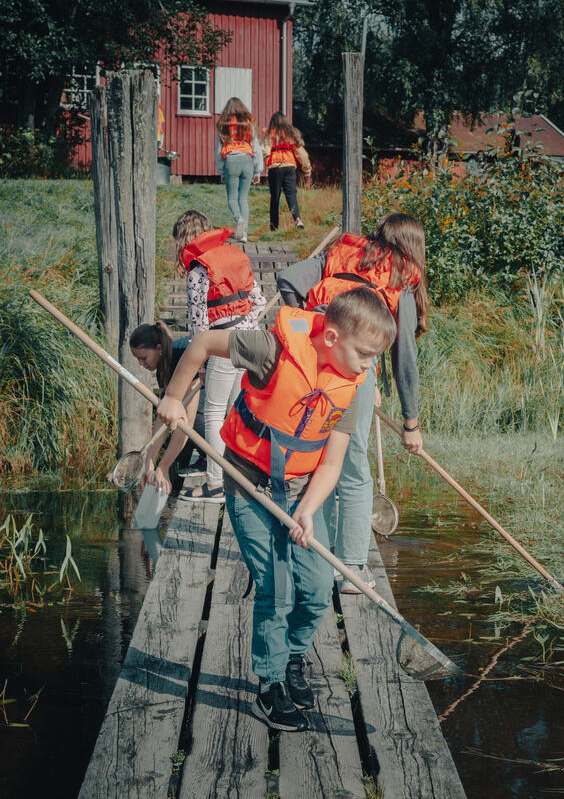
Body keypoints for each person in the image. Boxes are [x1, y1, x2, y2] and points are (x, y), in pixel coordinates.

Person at [156, 287, 397, 732]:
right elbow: (206, 343)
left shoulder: (350, 383)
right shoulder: (270, 350)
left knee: (318, 583)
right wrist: (173, 396)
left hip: (301, 485)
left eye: (374, 357)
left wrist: (308, 510)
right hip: (249, 480)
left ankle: (292, 657)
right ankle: (269, 686)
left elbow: (332, 462)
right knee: (276, 585)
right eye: (364, 354)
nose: (369, 365)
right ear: (330, 338)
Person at [276, 213, 429, 593]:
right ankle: (352, 570)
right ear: (413, 247)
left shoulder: (342, 252)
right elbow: (404, 355)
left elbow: (287, 281)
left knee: (320, 459)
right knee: (353, 466)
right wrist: (411, 422)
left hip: (314, 365)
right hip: (351, 377)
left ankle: (321, 557)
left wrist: (314, 330)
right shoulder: (401, 275)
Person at [173, 210, 266, 502]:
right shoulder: (234, 256)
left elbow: (200, 326)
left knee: (214, 413)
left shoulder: (198, 270)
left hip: (222, 344)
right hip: (251, 342)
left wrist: (200, 364)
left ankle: (215, 483)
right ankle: (240, 477)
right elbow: (259, 302)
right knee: (237, 412)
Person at [128, 322, 204, 495]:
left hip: (226, 403)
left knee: (193, 423)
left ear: (159, 348)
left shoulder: (183, 355)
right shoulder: (164, 368)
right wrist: (149, 463)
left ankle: (209, 460)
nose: (141, 364)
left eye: (143, 358)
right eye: (138, 359)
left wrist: (163, 466)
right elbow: (163, 419)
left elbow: (186, 422)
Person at [214, 97, 263, 243]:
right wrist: (257, 170)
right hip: (247, 161)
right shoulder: (248, 123)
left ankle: (238, 218)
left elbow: (218, 151)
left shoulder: (223, 124)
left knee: (232, 198)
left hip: (231, 161)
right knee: (243, 199)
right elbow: (256, 147)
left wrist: (221, 171)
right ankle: (244, 234)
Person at [262, 112, 309, 231]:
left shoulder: (270, 135)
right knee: (291, 195)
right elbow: (301, 154)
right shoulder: (291, 134)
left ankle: (274, 227)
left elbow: (265, 150)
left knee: (275, 198)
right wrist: (306, 169)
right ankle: (298, 219)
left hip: (275, 168)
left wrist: (268, 159)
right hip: (289, 168)